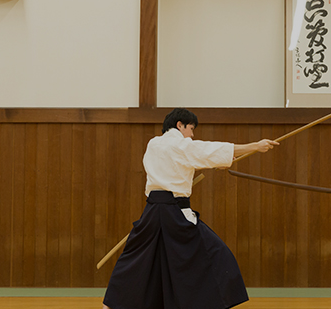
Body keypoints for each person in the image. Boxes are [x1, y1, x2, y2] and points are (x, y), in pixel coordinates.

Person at [102, 108, 279, 309]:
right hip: (175, 213)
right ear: (180, 125)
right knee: (216, 254)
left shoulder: (153, 144)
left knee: (137, 258)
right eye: (191, 128)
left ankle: (111, 304)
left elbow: (184, 162)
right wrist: (256, 146)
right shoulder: (181, 145)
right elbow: (206, 151)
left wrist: (212, 164)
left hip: (152, 212)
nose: (192, 135)